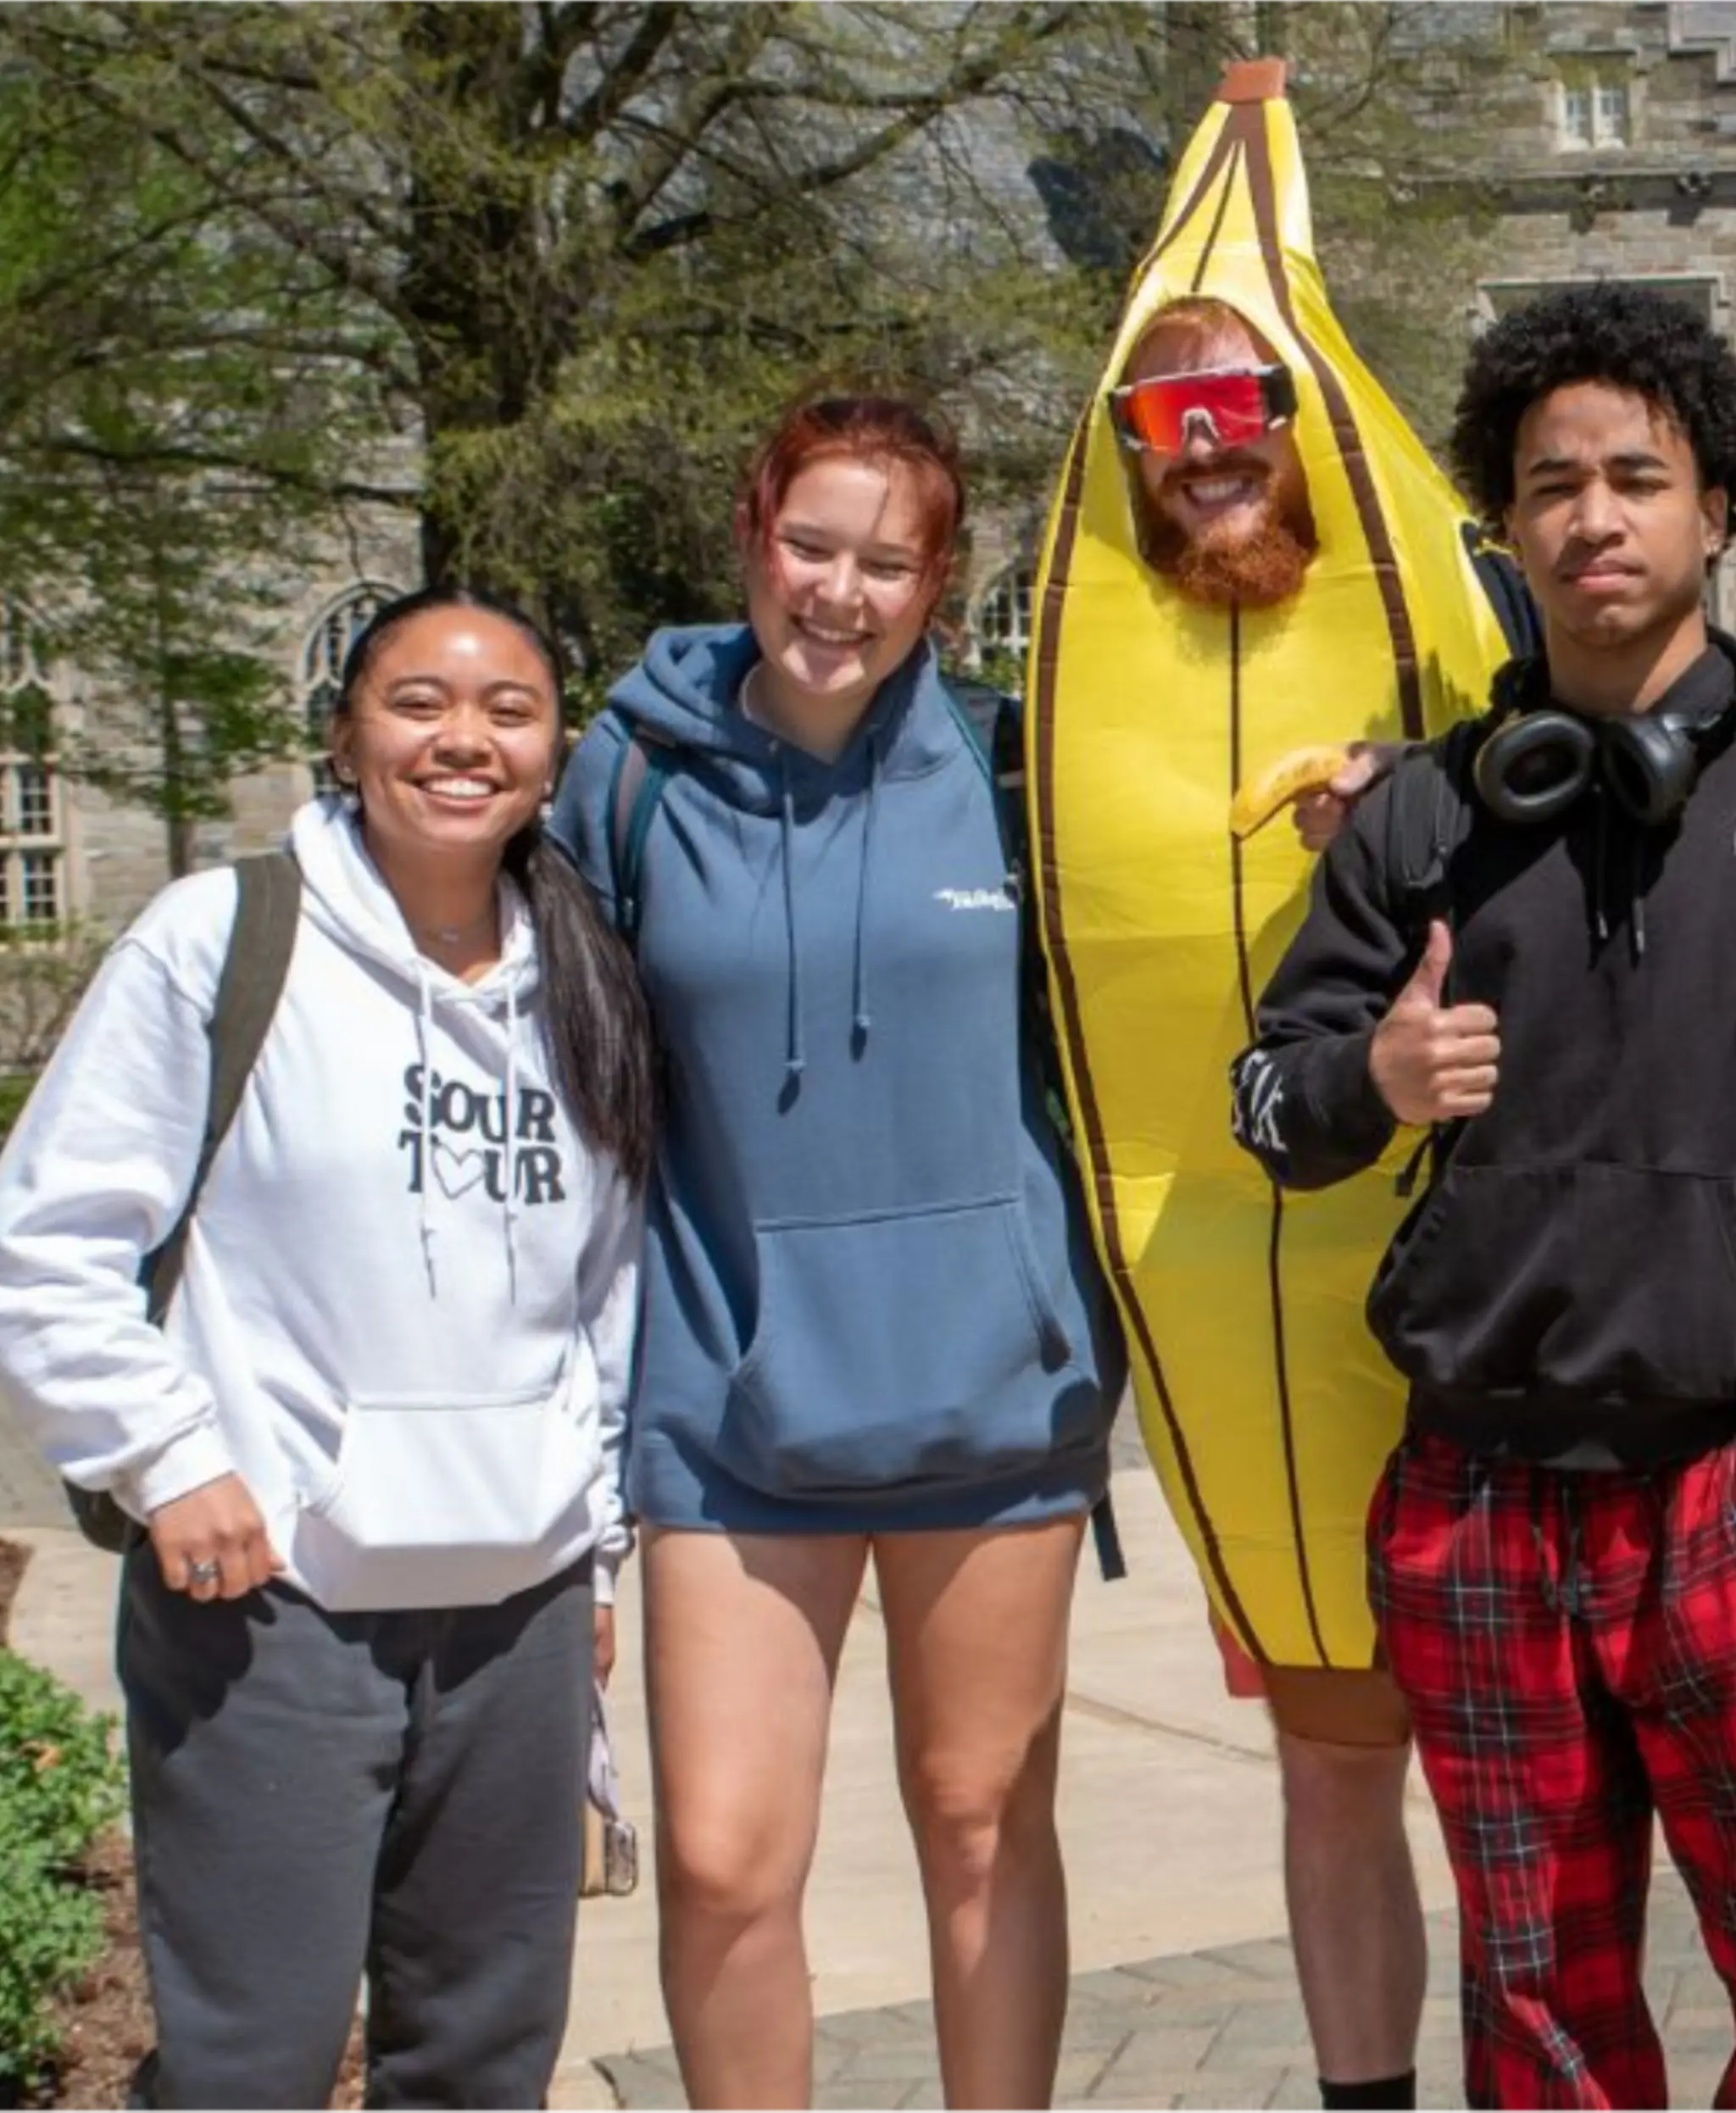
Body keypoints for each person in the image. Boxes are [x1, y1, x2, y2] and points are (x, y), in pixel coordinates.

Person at [1235, 281, 1736, 2109]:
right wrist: (1365, 1081)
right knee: (1532, 1999)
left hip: (1726, 1489)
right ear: (1507, 524)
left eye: (1637, 475)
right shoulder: (1428, 810)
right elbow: (1266, 1103)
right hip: (1475, 1496)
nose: (1594, 517)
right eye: (1552, 484)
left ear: (1715, 509)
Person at [1017, 70, 1511, 2109]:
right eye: (1165, 431)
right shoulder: (1046, 708)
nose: (1210, 459)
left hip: (1463, 1288)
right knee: (1332, 1747)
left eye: (1244, 422)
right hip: (1221, 1278)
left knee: (1509, 1757)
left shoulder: (1462, 655)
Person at [0, 587, 654, 2107]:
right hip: (270, 1605)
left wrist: (596, 1546)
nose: (463, 739)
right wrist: (167, 1459)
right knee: (251, 2060)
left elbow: (604, 1293)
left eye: (510, 708)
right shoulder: (222, 940)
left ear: (553, 755)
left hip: (520, 1607)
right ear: (349, 733)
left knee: (485, 2062)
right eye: (419, 701)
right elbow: (47, 1234)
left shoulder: (592, 977)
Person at [554, 394, 1126, 2109]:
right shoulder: (629, 771)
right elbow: (544, 1052)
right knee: (726, 1861)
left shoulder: (1018, 764)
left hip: (993, 1397)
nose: (841, 591)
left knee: (978, 1822)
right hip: (732, 1405)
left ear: (939, 583)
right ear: (751, 535)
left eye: (890, 561)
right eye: (813, 544)